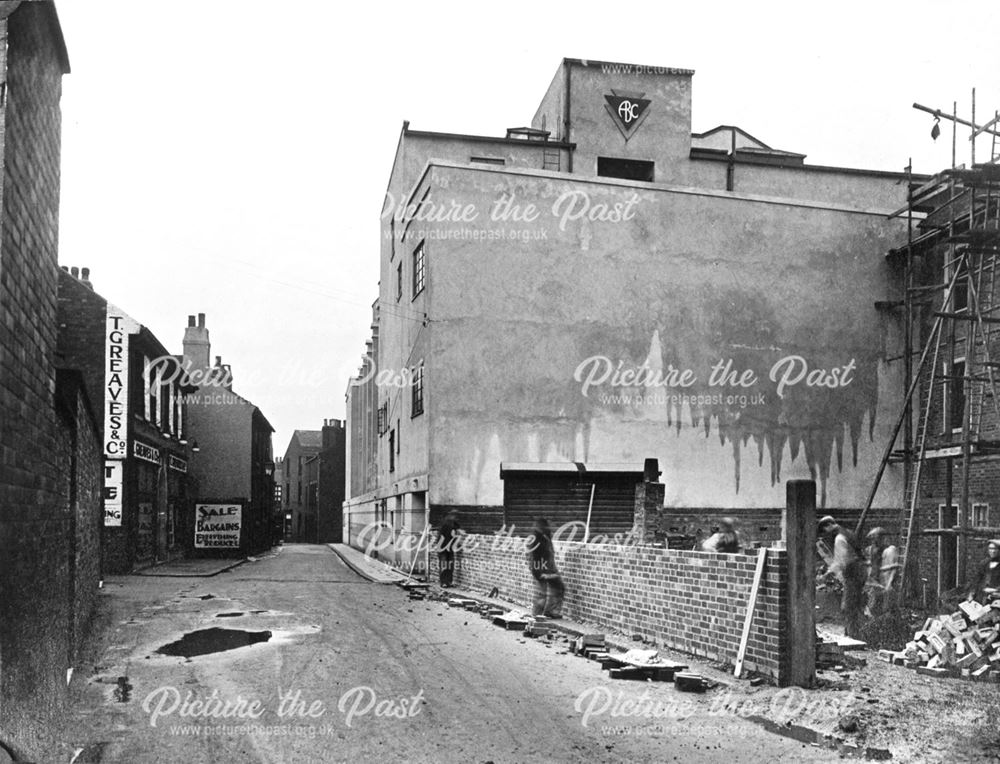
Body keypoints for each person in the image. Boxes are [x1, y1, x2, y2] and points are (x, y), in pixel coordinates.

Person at [818, 515, 866, 639]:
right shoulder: (848, 533)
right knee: (856, 605)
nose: (825, 534)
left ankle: (853, 637)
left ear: (829, 525)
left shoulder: (839, 538)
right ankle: (854, 633)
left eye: (825, 530)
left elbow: (841, 561)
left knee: (848, 607)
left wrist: (827, 574)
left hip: (853, 574)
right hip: (860, 572)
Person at [526, 518, 564, 618]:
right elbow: (532, 557)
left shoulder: (545, 536)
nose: (550, 528)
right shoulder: (535, 538)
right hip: (541, 569)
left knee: (558, 587)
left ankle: (550, 611)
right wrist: (538, 573)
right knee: (541, 594)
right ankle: (536, 616)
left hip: (549, 568)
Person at [864, 527, 900, 616]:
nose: (873, 543)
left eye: (875, 540)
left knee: (886, 608)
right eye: (872, 540)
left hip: (886, 585)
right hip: (875, 584)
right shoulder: (871, 550)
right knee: (872, 608)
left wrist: (889, 584)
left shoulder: (890, 550)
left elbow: (893, 569)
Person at [966, 538, 1000, 604]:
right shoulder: (984, 563)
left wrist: (996, 590)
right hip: (981, 597)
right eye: (990, 548)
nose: (992, 551)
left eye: (995, 549)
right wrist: (971, 593)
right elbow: (976, 580)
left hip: (996, 599)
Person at [437, 510, 463, 588]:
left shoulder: (453, 524)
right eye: (454, 516)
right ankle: (443, 582)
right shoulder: (445, 524)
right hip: (443, 547)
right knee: (444, 565)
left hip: (450, 548)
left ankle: (449, 581)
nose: (455, 518)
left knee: (450, 565)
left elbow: (458, 529)